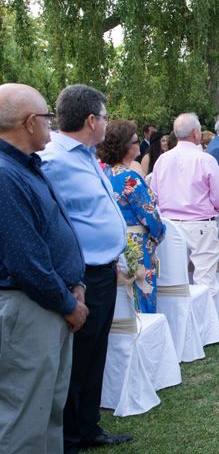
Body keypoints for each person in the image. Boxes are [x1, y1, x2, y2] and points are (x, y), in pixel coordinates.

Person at [39, 84, 131, 452]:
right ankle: (70, 435)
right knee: (78, 361)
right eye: (106, 116)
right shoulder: (53, 158)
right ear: (91, 120)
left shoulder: (87, 155)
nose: (108, 124)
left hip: (105, 269)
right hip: (82, 274)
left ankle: (89, 425)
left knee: (96, 355)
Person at [0, 83, 88, 454]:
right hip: (31, 307)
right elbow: (26, 260)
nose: (52, 124)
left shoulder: (25, 167)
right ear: (30, 122)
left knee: (49, 410)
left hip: (49, 303)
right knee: (26, 417)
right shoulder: (6, 175)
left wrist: (76, 283)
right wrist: (69, 304)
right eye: (48, 117)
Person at [152, 113, 219, 301]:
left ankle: (184, 326)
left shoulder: (163, 159)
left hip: (170, 226)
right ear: (195, 133)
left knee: (176, 281)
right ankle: (206, 329)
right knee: (205, 281)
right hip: (200, 225)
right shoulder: (204, 159)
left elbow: (154, 194)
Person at [97, 120, 166, 313]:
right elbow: (150, 216)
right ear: (125, 146)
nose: (138, 144)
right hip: (136, 243)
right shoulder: (130, 178)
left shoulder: (104, 173)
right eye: (135, 141)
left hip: (113, 243)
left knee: (123, 298)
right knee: (142, 293)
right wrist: (159, 234)